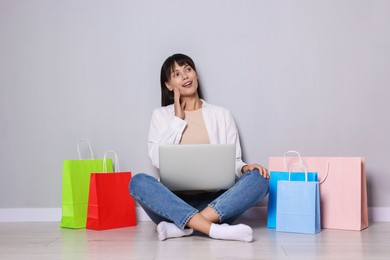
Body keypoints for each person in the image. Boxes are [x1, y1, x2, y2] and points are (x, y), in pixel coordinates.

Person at [129, 53, 269, 242]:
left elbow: (233, 161)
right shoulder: (161, 116)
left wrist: (244, 167)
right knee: (138, 182)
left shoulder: (222, 115)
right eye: (177, 74)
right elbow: (157, 159)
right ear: (169, 85)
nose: (185, 76)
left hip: (216, 203)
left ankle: (184, 227)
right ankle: (215, 230)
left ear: (196, 75)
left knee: (261, 178)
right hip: (172, 203)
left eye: (188, 69)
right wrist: (178, 120)